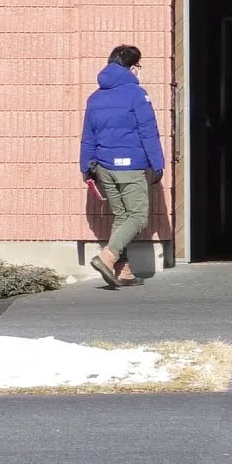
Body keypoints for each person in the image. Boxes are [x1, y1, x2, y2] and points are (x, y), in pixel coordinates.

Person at [79, 44, 164, 288]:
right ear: (132, 67)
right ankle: (108, 256)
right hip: (130, 166)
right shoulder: (136, 95)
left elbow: (88, 135)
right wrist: (157, 164)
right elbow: (149, 131)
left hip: (104, 166)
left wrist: (86, 167)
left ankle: (123, 270)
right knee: (138, 216)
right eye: (138, 66)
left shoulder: (95, 97)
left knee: (122, 217)